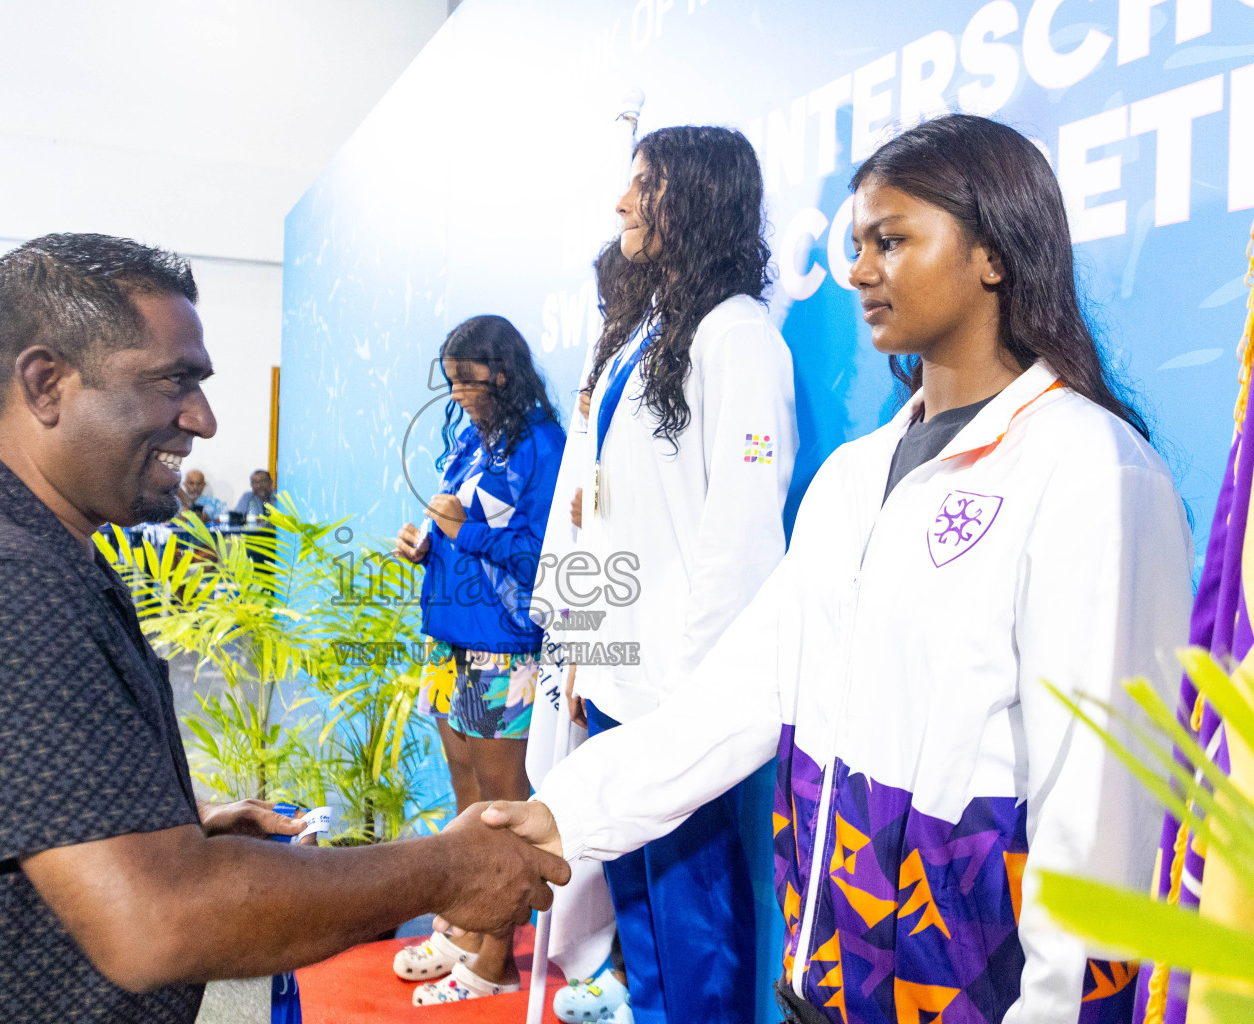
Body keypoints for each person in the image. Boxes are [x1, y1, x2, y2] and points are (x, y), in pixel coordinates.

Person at [483, 114, 1194, 1024]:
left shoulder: (1091, 471)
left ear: (995, 254)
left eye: (891, 241)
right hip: (829, 975)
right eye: (856, 243)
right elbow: (744, 688)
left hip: (972, 989)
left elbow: (1104, 814)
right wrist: (566, 813)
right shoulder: (856, 477)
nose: (858, 270)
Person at [0, 233, 569, 1024]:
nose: (201, 418)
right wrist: (443, 871)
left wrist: (166, 826)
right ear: (45, 383)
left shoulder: (21, 546)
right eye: (175, 382)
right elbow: (156, 921)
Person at [555, 124, 798, 1024]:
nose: (622, 202)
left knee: (695, 924)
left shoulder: (738, 338)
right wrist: (586, 650)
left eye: (645, 184)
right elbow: (605, 515)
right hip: (621, 680)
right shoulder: (647, 336)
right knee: (642, 915)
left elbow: (738, 539)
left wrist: (693, 703)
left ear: (695, 198)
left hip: (681, 697)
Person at [391, 314, 566, 1005]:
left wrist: (465, 534)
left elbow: (542, 555)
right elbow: (457, 531)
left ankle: (497, 962)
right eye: (452, 380)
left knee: (502, 810)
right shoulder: (470, 439)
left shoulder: (542, 444)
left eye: (468, 379)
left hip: (506, 645)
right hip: (451, 640)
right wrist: (431, 545)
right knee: (466, 798)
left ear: (504, 371)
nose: (458, 393)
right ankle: (467, 926)